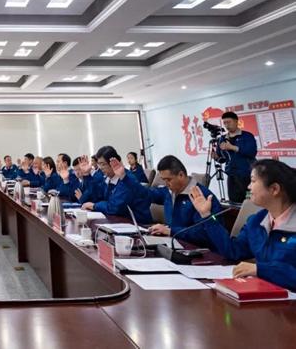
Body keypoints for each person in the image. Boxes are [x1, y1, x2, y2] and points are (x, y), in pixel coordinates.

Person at [189, 159, 296, 290]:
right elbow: (233, 250)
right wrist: (207, 216)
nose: (249, 187)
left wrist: (261, 269)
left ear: (274, 189)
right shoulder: (256, 221)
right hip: (266, 294)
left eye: (253, 181)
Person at [112, 155, 222, 249]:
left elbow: (206, 234)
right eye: (163, 180)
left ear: (181, 175)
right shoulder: (169, 192)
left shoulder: (203, 197)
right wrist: (124, 177)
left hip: (199, 250)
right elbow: (146, 194)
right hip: (174, 244)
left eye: (168, 180)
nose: (166, 184)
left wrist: (170, 231)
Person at [77, 146, 152, 224]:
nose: (101, 168)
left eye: (103, 164)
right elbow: (97, 195)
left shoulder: (126, 179)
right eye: (99, 164)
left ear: (112, 163)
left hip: (137, 224)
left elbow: (115, 207)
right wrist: (87, 175)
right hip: (118, 221)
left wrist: (94, 206)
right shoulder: (109, 178)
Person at [212, 111, 258, 203]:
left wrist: (232, 147)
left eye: (229, 122)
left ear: (236, 121)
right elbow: (222, 159)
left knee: (250, 200)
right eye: (225, 123)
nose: (227, 125)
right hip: (231, 176)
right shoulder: (222, 139)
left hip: (247, 175)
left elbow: (251, 152)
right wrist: (216, 157)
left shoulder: (247, 136)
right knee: (234, 202)